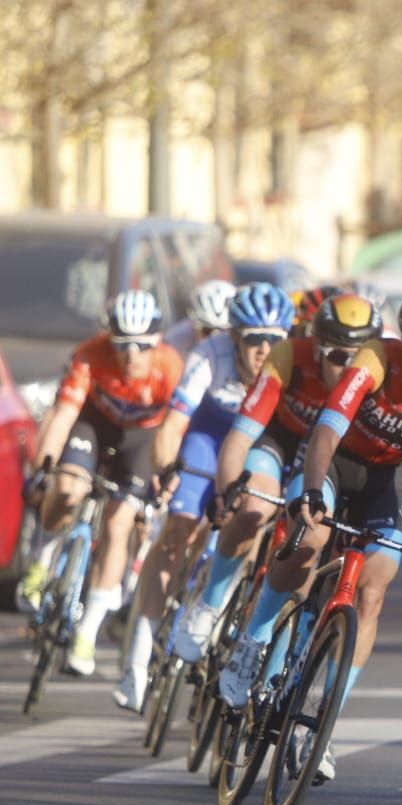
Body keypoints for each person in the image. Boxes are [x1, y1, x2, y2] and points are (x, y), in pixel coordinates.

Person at [217, 288, 402, 785]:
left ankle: (320, 722)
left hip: (386, 483)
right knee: (309, 542)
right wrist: (313, 492)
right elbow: (324, 431)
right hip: (333, 462)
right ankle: (251, 642)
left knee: (375, 590)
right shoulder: (375, 360)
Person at [115, 283, 293, 709]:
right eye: (253, 339)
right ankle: (137, 664)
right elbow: (174, 425)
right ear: (233, 336)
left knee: (252, 524)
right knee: (178, 530)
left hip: (259, 445)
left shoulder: (290, 366)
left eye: (274, 339)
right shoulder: (209, 354)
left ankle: (223, 615)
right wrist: (167, 470)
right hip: (209, 438)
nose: (264, 349)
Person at [176, 294, 381, 664]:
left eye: (358, 359)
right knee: (252, 507)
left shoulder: (375, 378)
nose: (350, 368)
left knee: (311, 544)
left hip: (328, 461)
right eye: (338, 357)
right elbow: (239, 438)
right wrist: (228, 492)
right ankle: (211, 601)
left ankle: (272, 659)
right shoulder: (288, 357)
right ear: (317, 348)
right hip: (278, 443)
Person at [19, 291, 183, 676]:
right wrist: (46, 465)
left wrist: (167, 473)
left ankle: (87, 633)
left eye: (141, 345)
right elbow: (63, 413)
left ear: (156, 341)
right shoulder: (91, 354)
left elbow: (175, 431)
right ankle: (42, 561)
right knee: (68, 487)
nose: (131, 355)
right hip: (95, 426)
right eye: (122, 344)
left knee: (118, 521)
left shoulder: (171, 366)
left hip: (143, 439)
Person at [163, 280, 236, 356]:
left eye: (224, 332)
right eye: (207, 331)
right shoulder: (175, 341)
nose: (215, 339)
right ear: (194, 326)